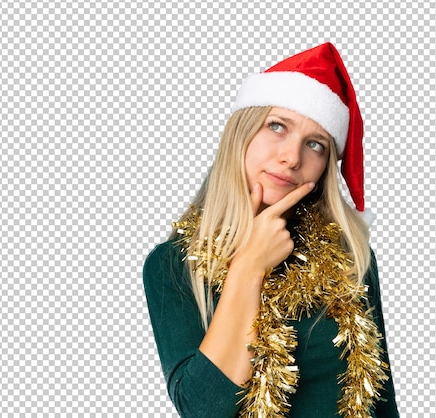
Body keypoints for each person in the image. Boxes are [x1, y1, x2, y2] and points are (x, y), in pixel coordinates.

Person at [143, 42, 400, 417]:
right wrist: (250, 265)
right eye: (277, 126)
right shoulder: (172, 265)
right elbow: (201, 409)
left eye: (315, 145)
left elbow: (381, 400)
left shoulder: (349, 255)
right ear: (241, 132)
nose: (292, 157)